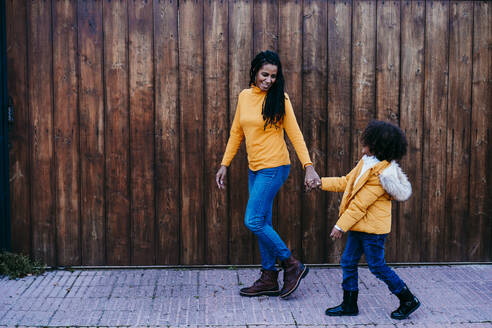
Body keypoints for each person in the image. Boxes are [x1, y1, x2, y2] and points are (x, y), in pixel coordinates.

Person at [216, 50, 320, 298]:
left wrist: (309, 166)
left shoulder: (280, 99)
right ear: (255, 72)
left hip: (274, 168)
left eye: (274, 76)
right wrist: (225, 163)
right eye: (265, 74)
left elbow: (295, 135)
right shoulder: (244, 97)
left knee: (252, 221)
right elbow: (236, 133)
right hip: (255, 168)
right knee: (263, 222)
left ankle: (291, 263)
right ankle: (269, 277)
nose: (269, 80)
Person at [318, 120, 420, 320]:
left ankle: (408, 299)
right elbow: (347, 182)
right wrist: (319, 182)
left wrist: (340, 226)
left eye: (366, 140)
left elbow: (359, 205)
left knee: (377, 266)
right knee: (348, 261)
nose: (362, 143)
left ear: (375, 145)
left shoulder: (381, 175)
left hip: (373, 230)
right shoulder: (366, 162)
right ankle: (349, 304)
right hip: (359, 226)